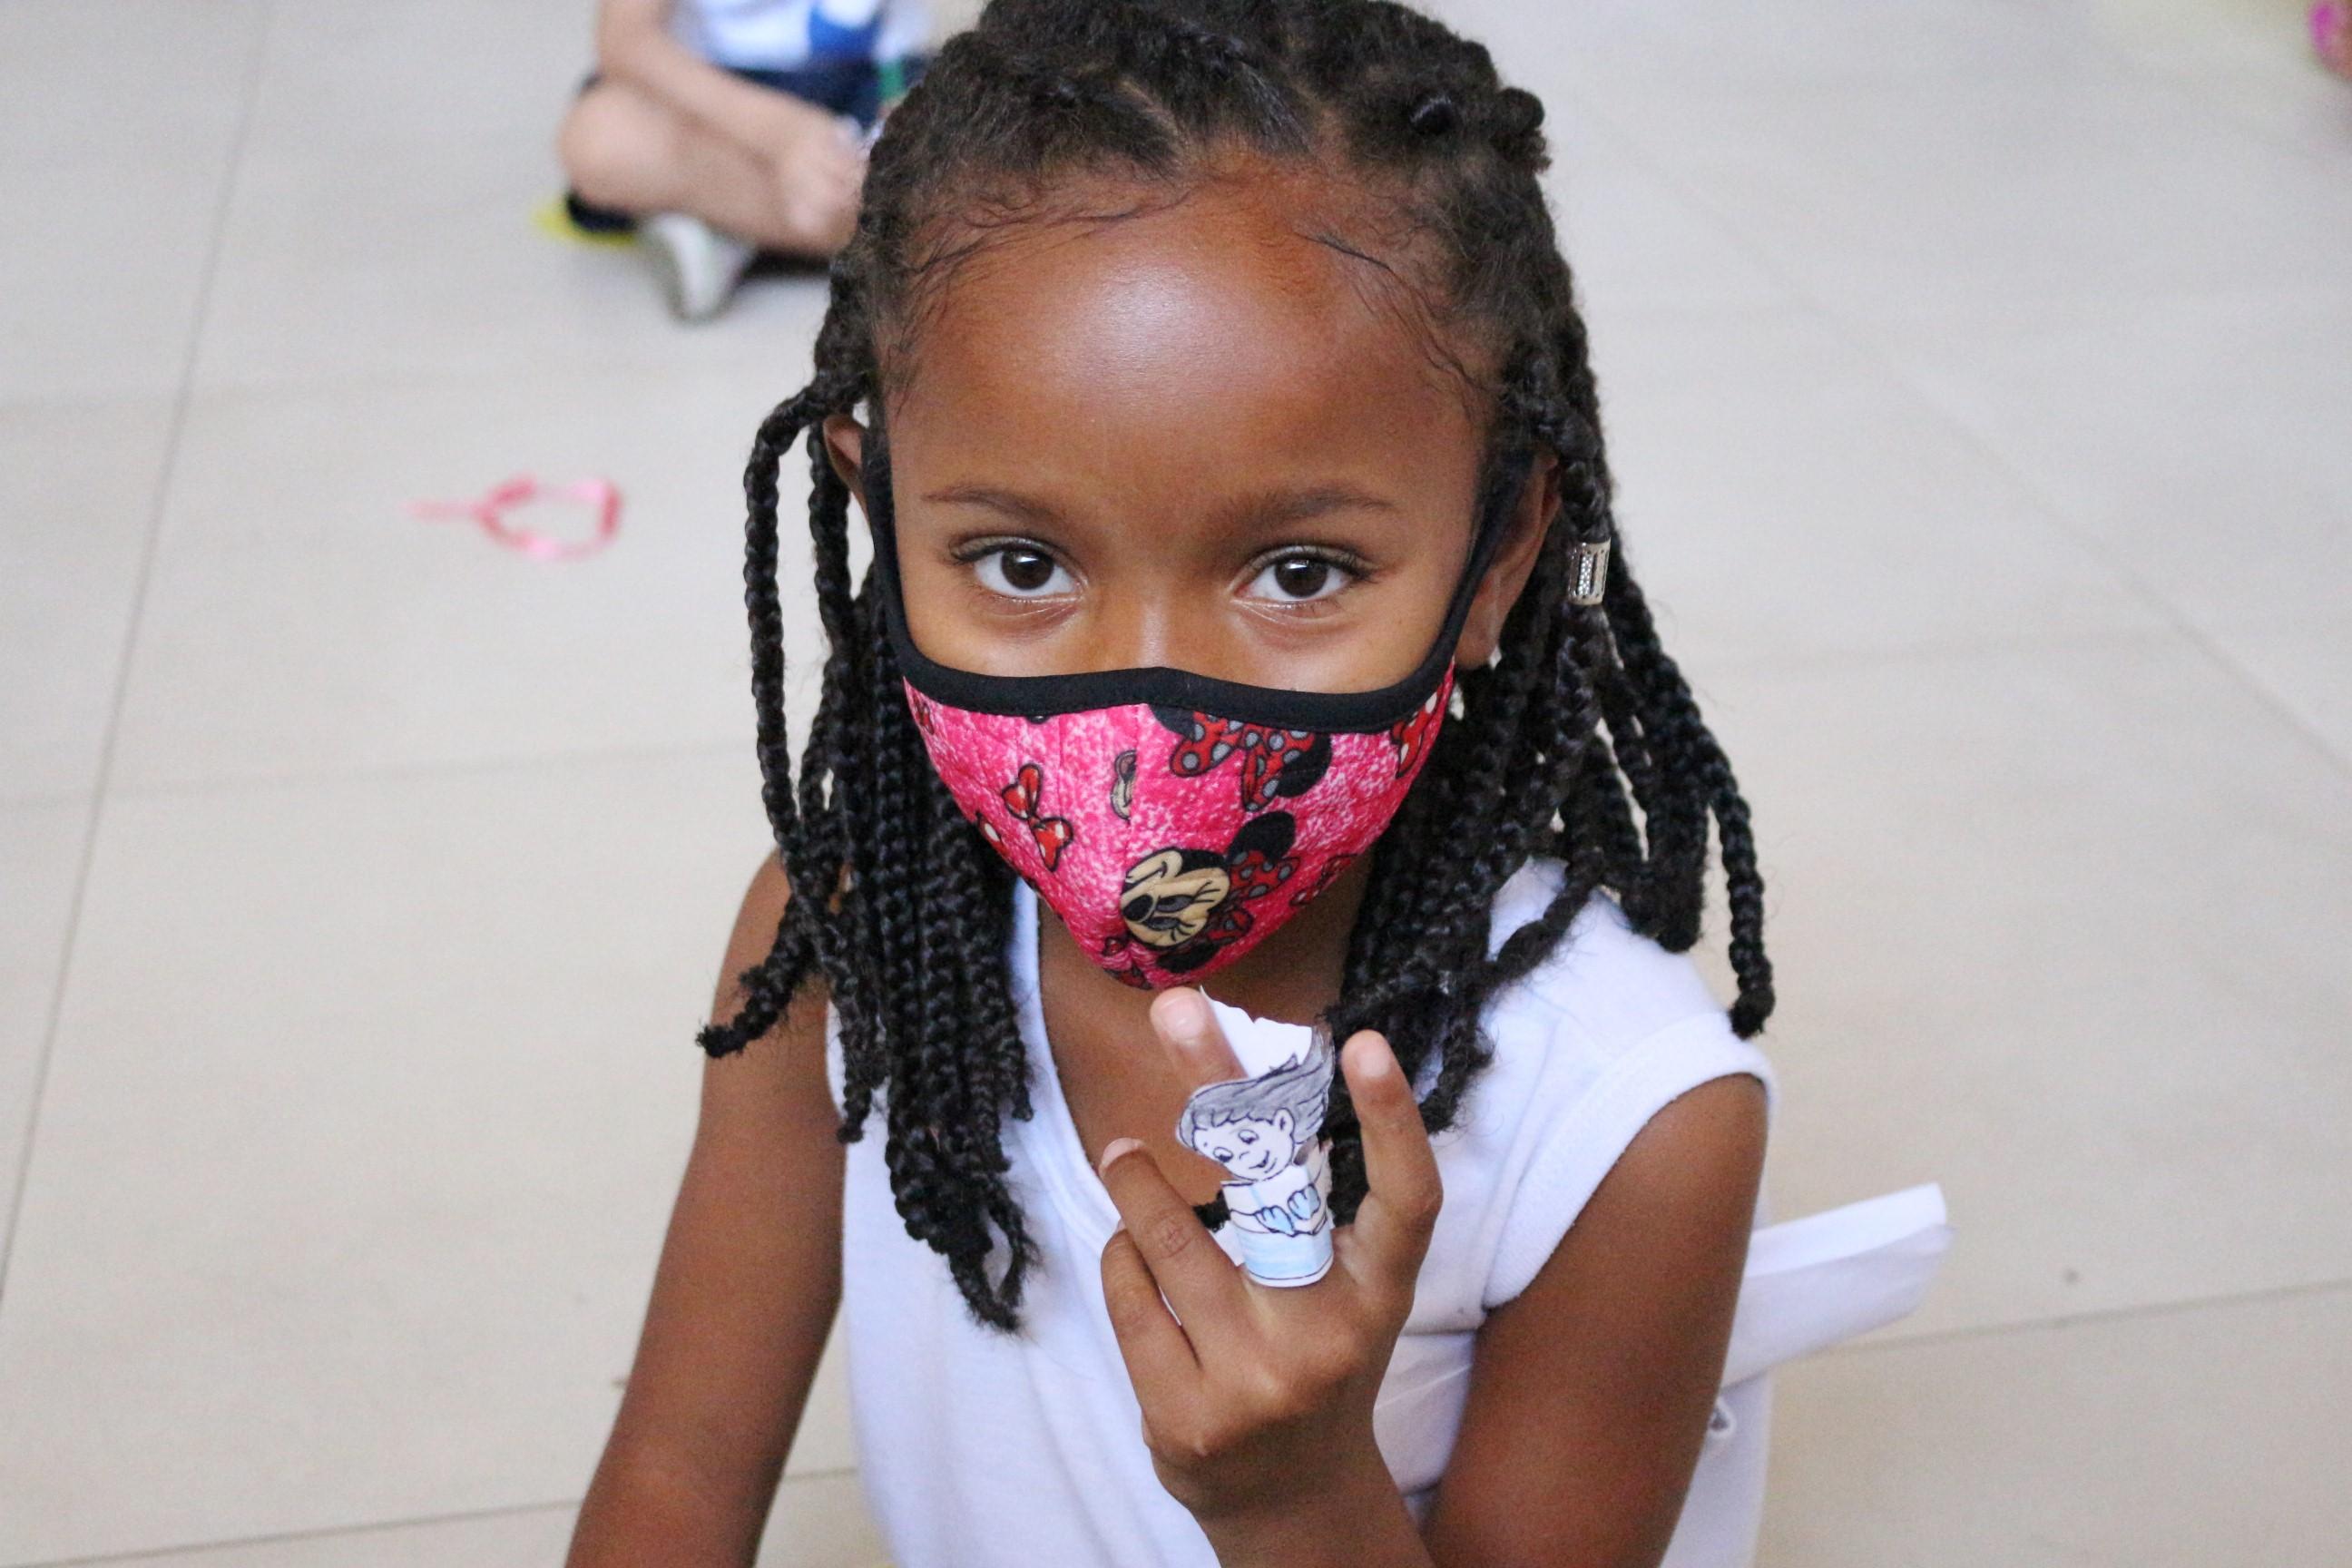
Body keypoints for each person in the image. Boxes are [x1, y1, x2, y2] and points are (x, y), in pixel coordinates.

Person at [567, 3, 1948, 1565]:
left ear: (1502, 553)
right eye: (1019, 562)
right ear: (877, 509)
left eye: (1298, 571)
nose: (1150, 729)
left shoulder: (1631, 1121)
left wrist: (1292, 1495)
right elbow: (678, 1469)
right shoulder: (844, 931)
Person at [556, 0, 932, 320]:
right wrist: (779, 133)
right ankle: (867, 235)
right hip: (706, 92)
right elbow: (626, 41)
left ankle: (730, 227)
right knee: (602, 137)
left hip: (872, 79)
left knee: (946, 153)